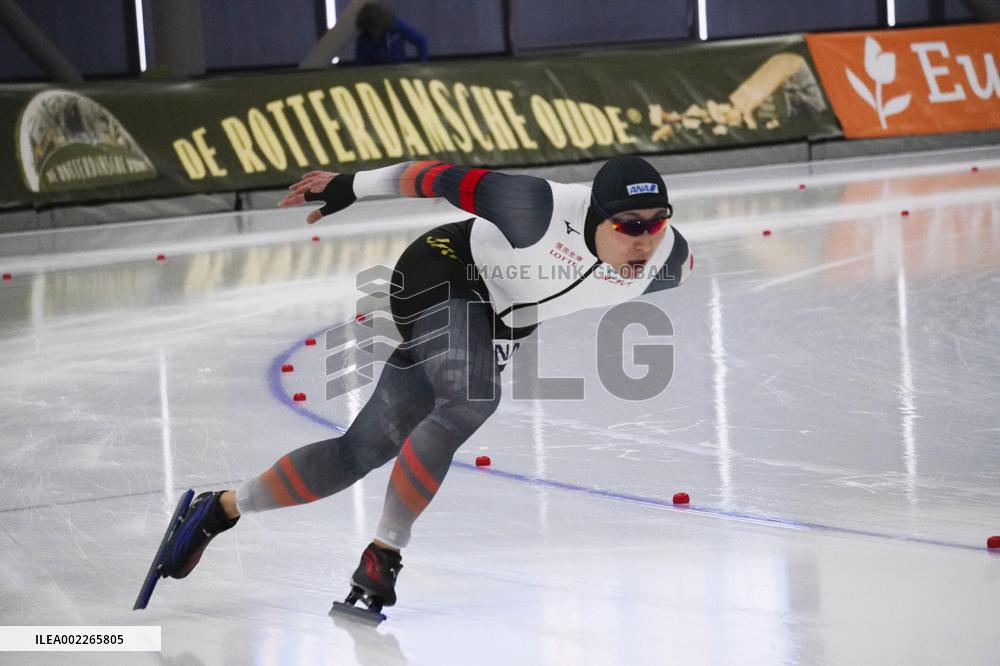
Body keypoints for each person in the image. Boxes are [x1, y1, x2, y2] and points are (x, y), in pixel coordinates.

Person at [149, 155, 692, 614]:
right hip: (444, 267)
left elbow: (559, 290)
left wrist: (505, 328)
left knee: (359, 452)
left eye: (656, 222)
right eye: (629, 226)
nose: (644, 241)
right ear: (595, 216)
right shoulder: (534, 207)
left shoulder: (671, 264)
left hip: (495, 320)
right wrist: (349, 186)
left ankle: (219, 508)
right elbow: (434, 177)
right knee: (471, 396)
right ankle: (384, 554)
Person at [354, 2, 428, 66]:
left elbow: (421, 41)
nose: (374, 32)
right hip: (377, 73)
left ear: (382, 22)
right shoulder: (363, 40)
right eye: (371, 29)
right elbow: (362, 67)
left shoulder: (396, 26)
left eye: (376, 28)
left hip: (399, 69)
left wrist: (422, 65)